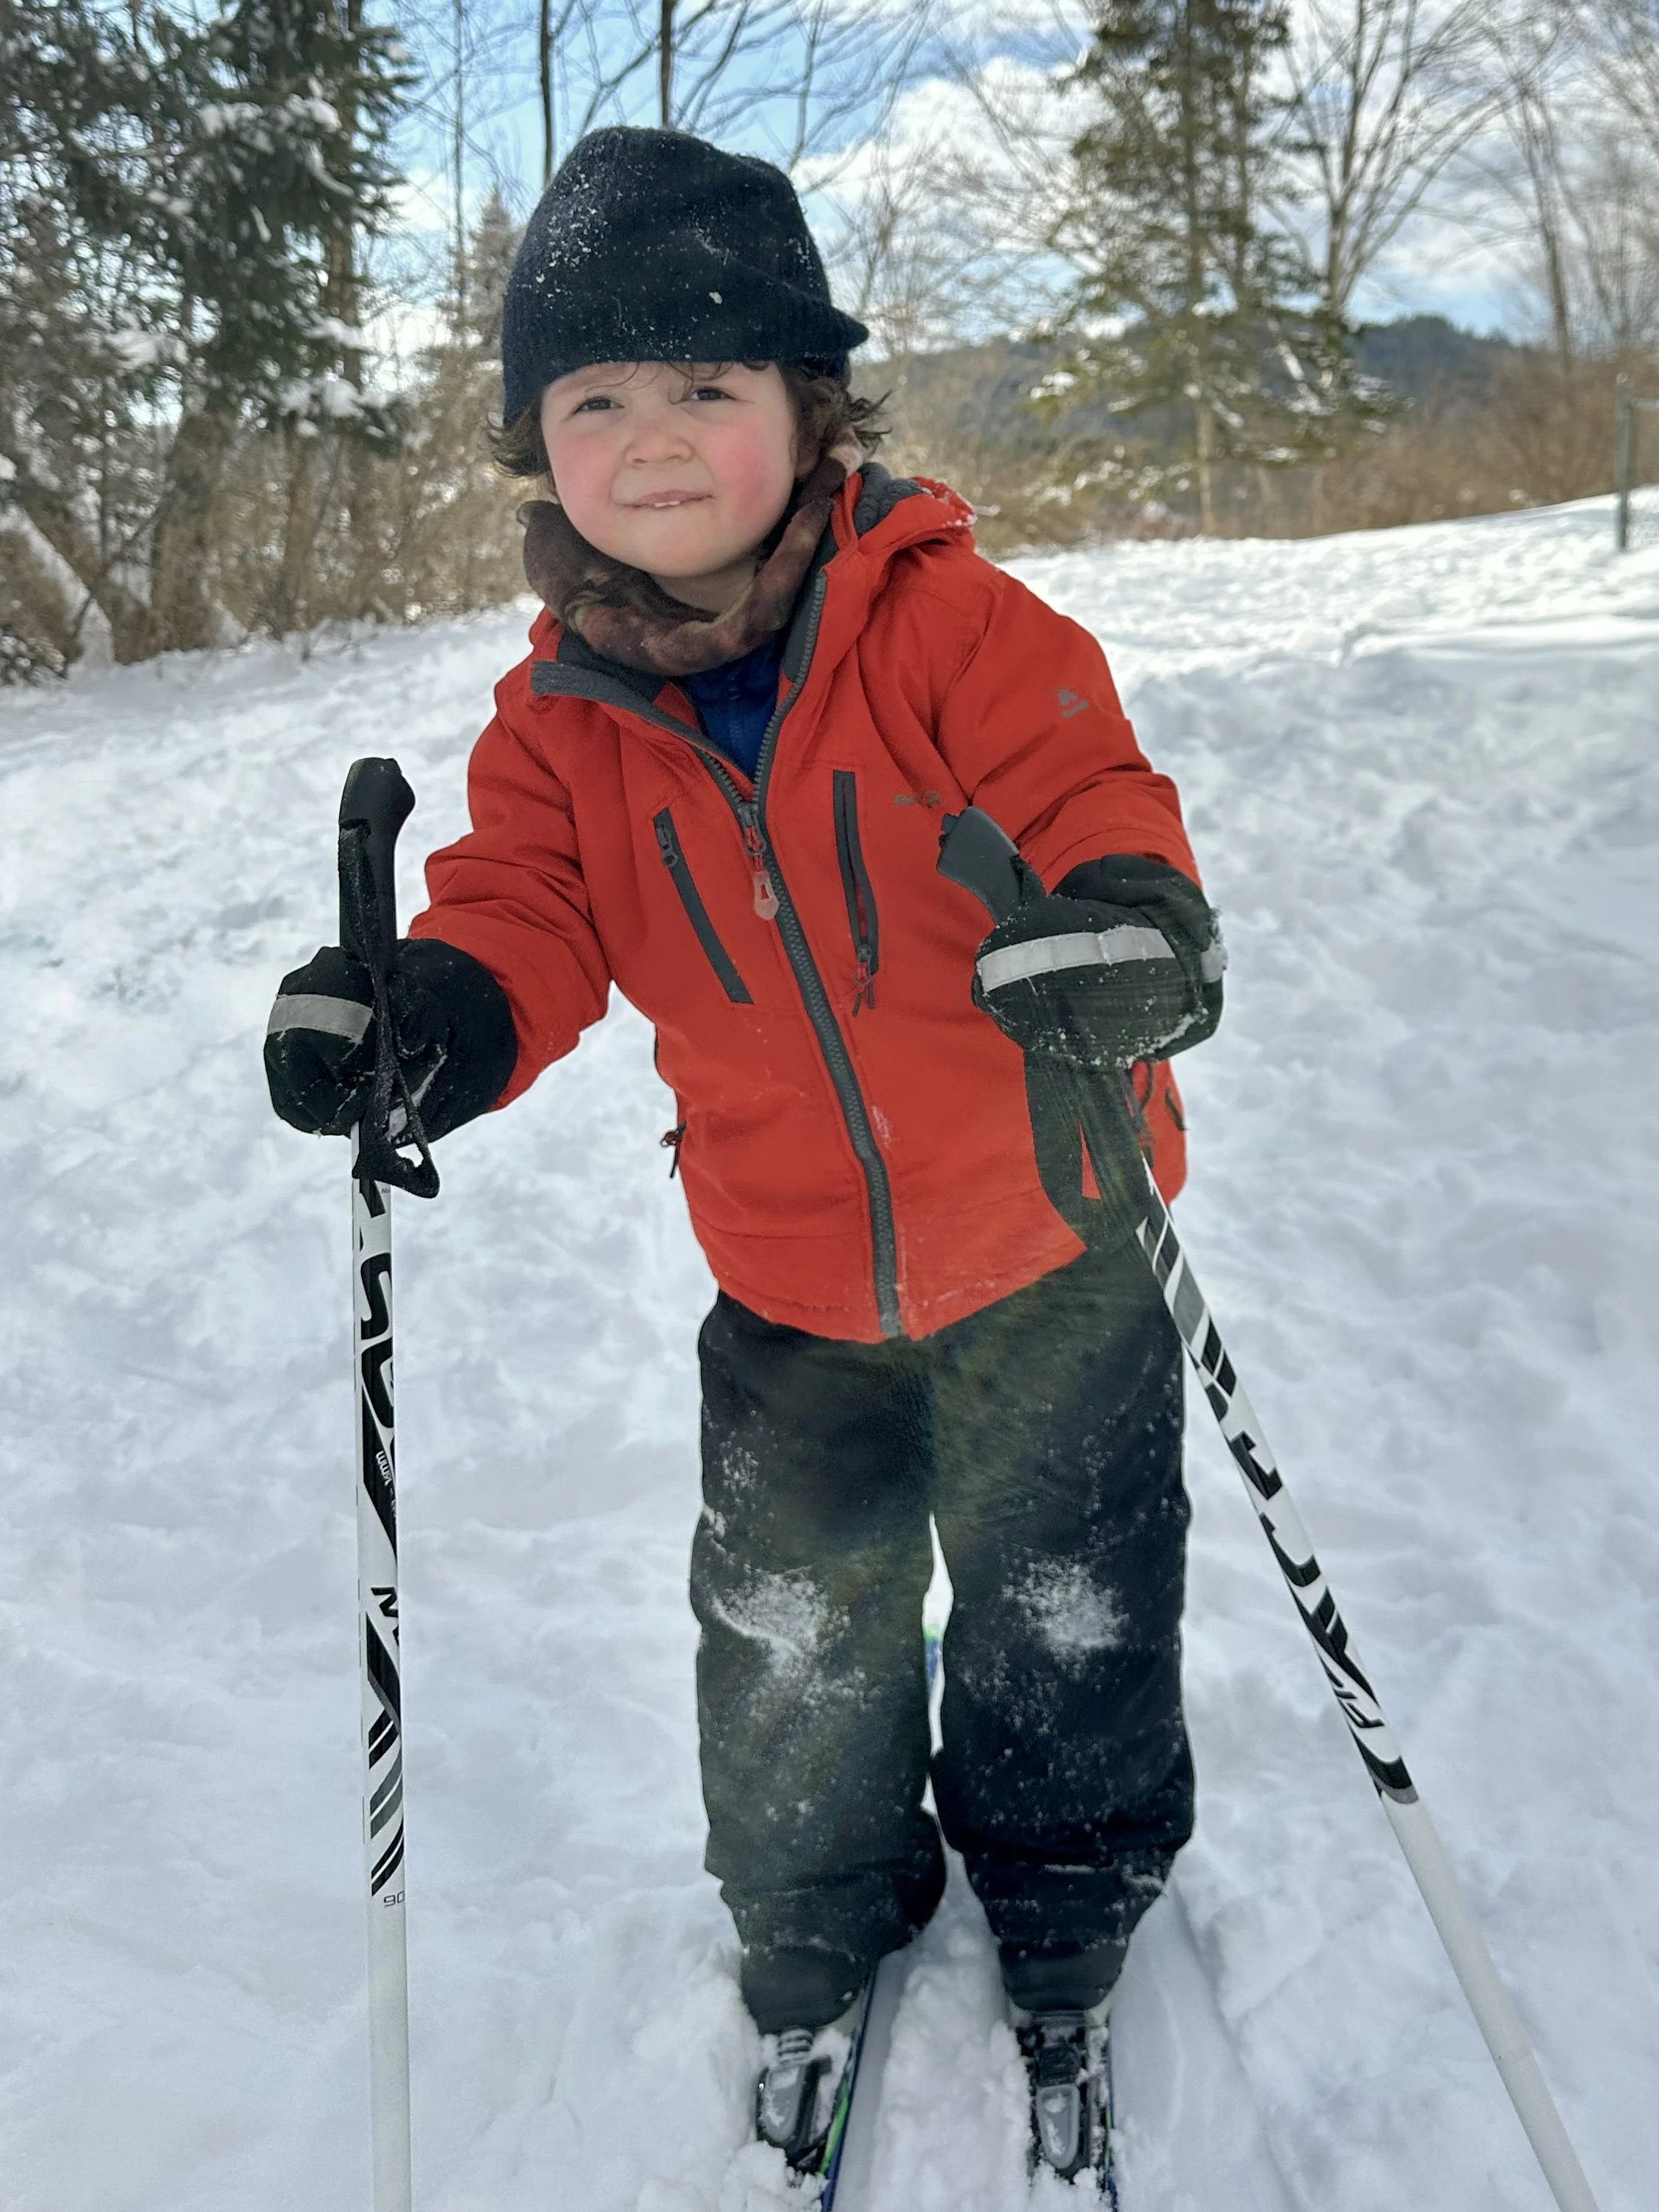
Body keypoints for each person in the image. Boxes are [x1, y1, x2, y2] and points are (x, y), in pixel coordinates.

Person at [264, 124, 1224, 2186]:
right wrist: (434, 1019)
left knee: (1065, 1605)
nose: (653, 437)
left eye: (705, 383)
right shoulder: (559, 720)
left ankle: (1068, 1895)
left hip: (1052, 1239)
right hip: (788, 1280)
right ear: (538, 446)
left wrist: (1129, 920)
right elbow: (525, 912)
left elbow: (1087, 791)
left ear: (811, 407)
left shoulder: (956, 627)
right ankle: (814, 1910)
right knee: (793, 1631)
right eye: (594, 397)